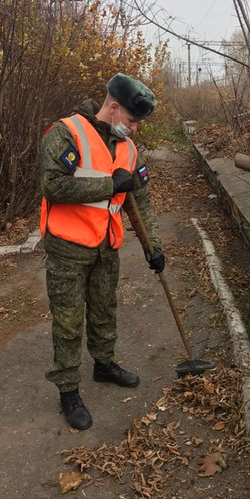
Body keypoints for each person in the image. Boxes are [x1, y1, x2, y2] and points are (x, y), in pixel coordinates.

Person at [40, 73, 165, 431]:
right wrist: (110, 184)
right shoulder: (65, 133)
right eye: (132, 121)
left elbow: (141, 199)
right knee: (67, 322)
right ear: (113, 107)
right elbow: (53, 185)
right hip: (67, 248)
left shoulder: (128, 149)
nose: (136, 129)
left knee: (104, 310)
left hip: (106, 248)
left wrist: (153, 248)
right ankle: (67, 389)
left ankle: (103, 364)